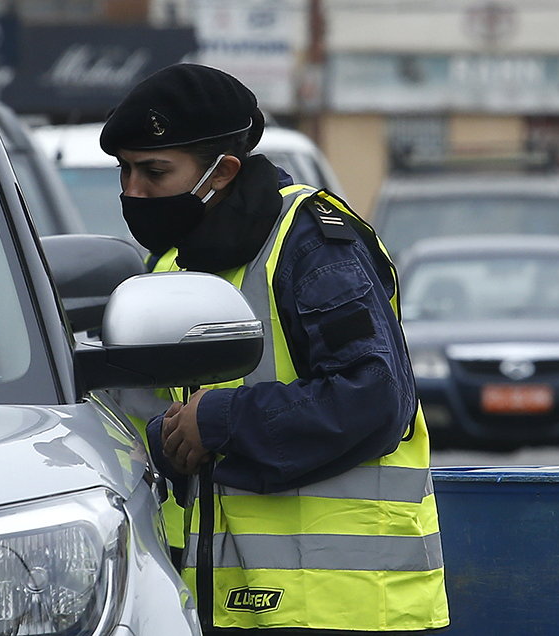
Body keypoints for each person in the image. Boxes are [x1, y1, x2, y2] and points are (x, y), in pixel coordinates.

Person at [100, 63, 449, 634]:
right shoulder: (164, 267)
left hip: (349, 611)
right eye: (125, 172)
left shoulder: (311, 245)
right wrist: (171, 442)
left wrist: (218, 422)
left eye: (153, 172)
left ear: (223, 172)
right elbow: (137, 433)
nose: (132, 192)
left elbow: (375, 396)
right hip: (216, 610)